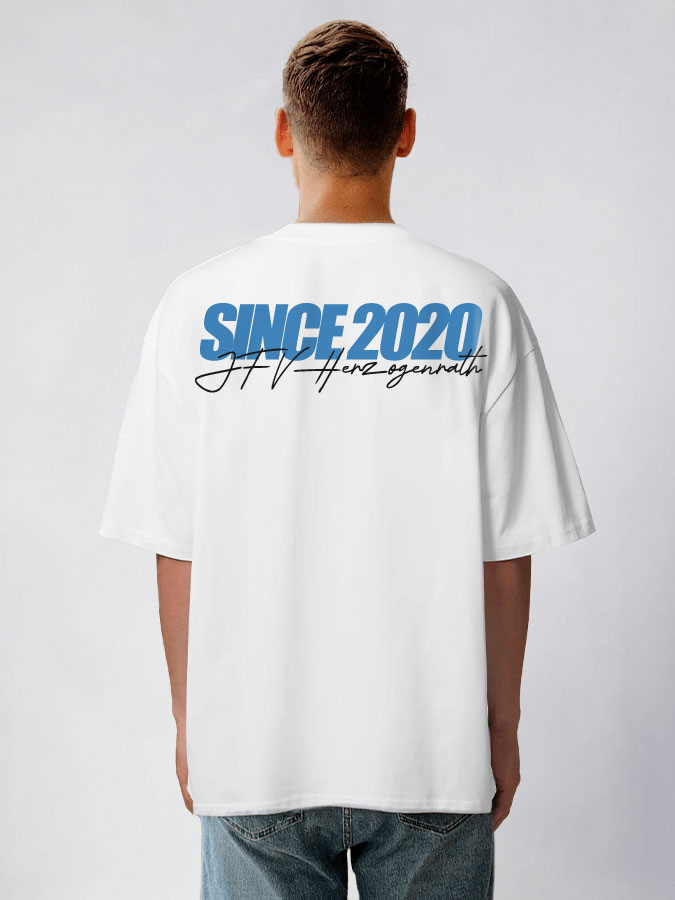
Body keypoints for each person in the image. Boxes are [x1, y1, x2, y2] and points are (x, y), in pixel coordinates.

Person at [98, 19, 596, 900]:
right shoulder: (478, 304)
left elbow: (177, 545)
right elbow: (505, 555)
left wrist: (191, 721)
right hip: (430, 756)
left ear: (283, 132)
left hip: (255, 753)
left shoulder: (197, 305)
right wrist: (499, 726)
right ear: (405, 131)